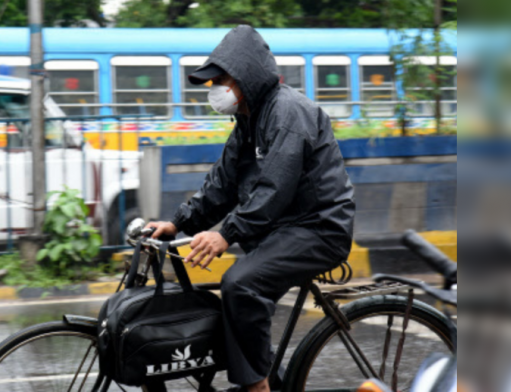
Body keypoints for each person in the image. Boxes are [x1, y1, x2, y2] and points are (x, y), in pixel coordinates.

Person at [145, 25, 355, 392]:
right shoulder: (247, 120)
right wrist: (178, 224)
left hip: (319, 229)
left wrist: (226, 233)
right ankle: (261, 375)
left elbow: (274, 186)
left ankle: (257, 387)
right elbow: (222, 185)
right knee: (236, 300)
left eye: (222, 79)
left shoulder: (288, 113)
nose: (216, 89)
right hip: (282, 229)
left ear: (247, 76)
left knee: (240, 284)